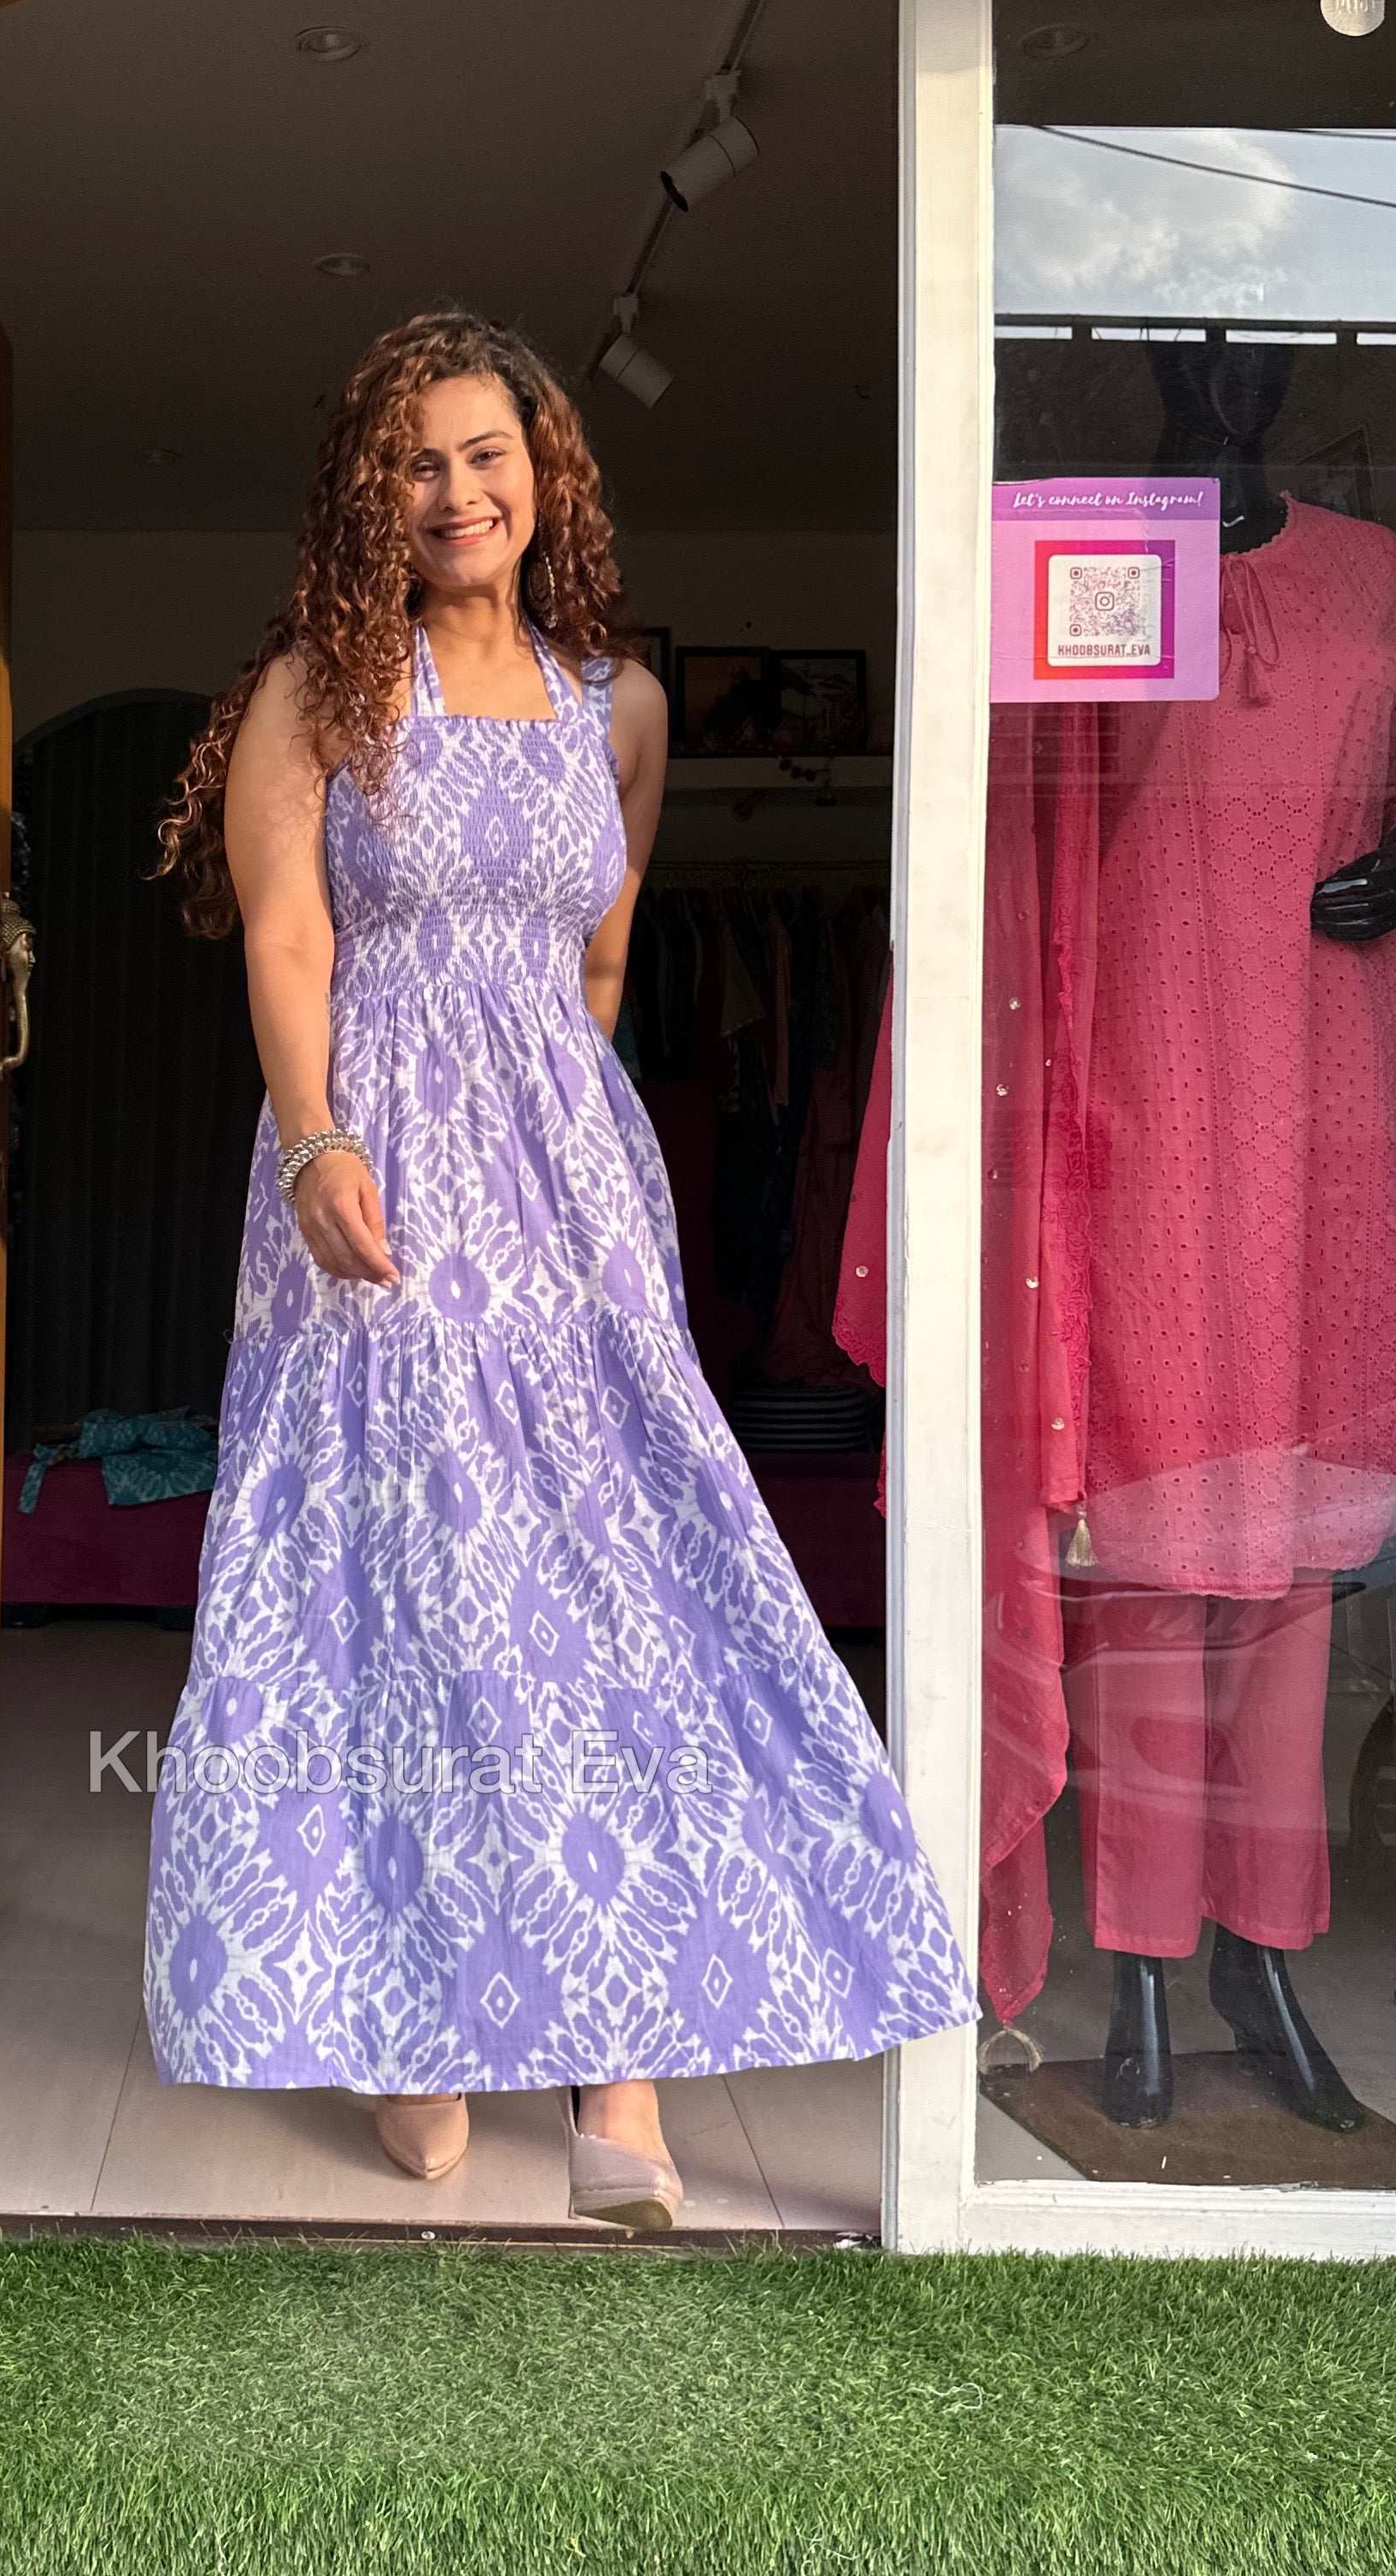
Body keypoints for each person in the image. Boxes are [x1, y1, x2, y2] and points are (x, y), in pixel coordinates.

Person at [146, 310, 973, 2228]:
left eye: (485, 455)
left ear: (545, 479)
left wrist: (566, 1157)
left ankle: (622, 2068)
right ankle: (415, 2014)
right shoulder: (317, 691)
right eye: (414, 462)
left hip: (565, 1188)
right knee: (404, 1572)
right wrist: (321, 1138)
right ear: (369, 495)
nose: (454, 491)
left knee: (609, 1575)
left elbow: (598, 964)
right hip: (372, 1175)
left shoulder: (624, 708)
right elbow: (286, 939)